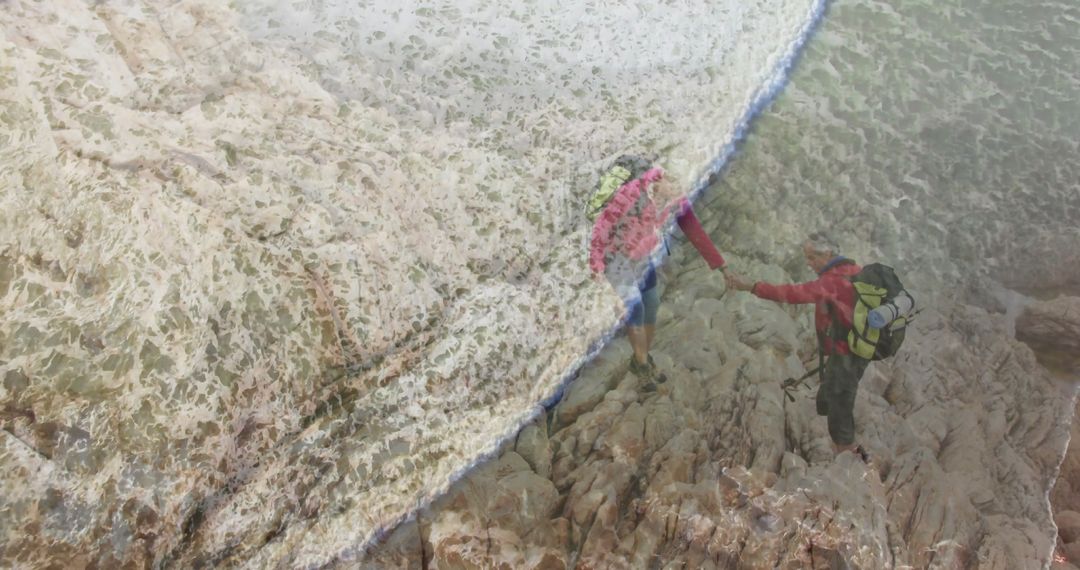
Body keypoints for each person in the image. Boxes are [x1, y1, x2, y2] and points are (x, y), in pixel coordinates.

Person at [725, 233, 870, 461]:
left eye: (812, 258)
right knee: (832, 395)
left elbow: (792, 294)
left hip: (846, 352)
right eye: (807, 257)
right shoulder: (854, 270)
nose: (808, 263)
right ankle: (840, 433)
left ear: (828, 254)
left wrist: (752, 286)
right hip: (857, 347)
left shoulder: (832, 282)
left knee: (838, 402)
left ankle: (850, 455)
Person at [589, 162, 727, 389]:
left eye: (681, 188)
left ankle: (639, 357)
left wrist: (719, 264)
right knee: (637, 308)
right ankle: (643, 366)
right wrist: (596, 264)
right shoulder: (632, 193)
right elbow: (602, 227)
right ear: (661, 180)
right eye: (674, 186)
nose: (678, 192)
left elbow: (692, 227)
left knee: (652, 303)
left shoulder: (675, 199)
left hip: (641, 254)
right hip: (614, 256)